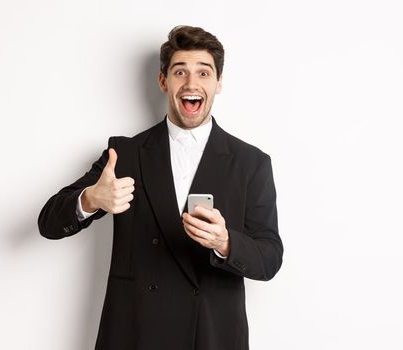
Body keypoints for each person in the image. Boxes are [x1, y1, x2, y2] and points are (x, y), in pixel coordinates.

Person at [38, 25, 283, 350]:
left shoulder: (251, 163)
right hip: (135, 333)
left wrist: (226, 242)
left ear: (219, 83)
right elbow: (48, 224)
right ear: (163, 81)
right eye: (180, 72)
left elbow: (269, 258)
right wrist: (91, 198)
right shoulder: (124, 155)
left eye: (204, 73)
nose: (192, 83)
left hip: (210, 336)